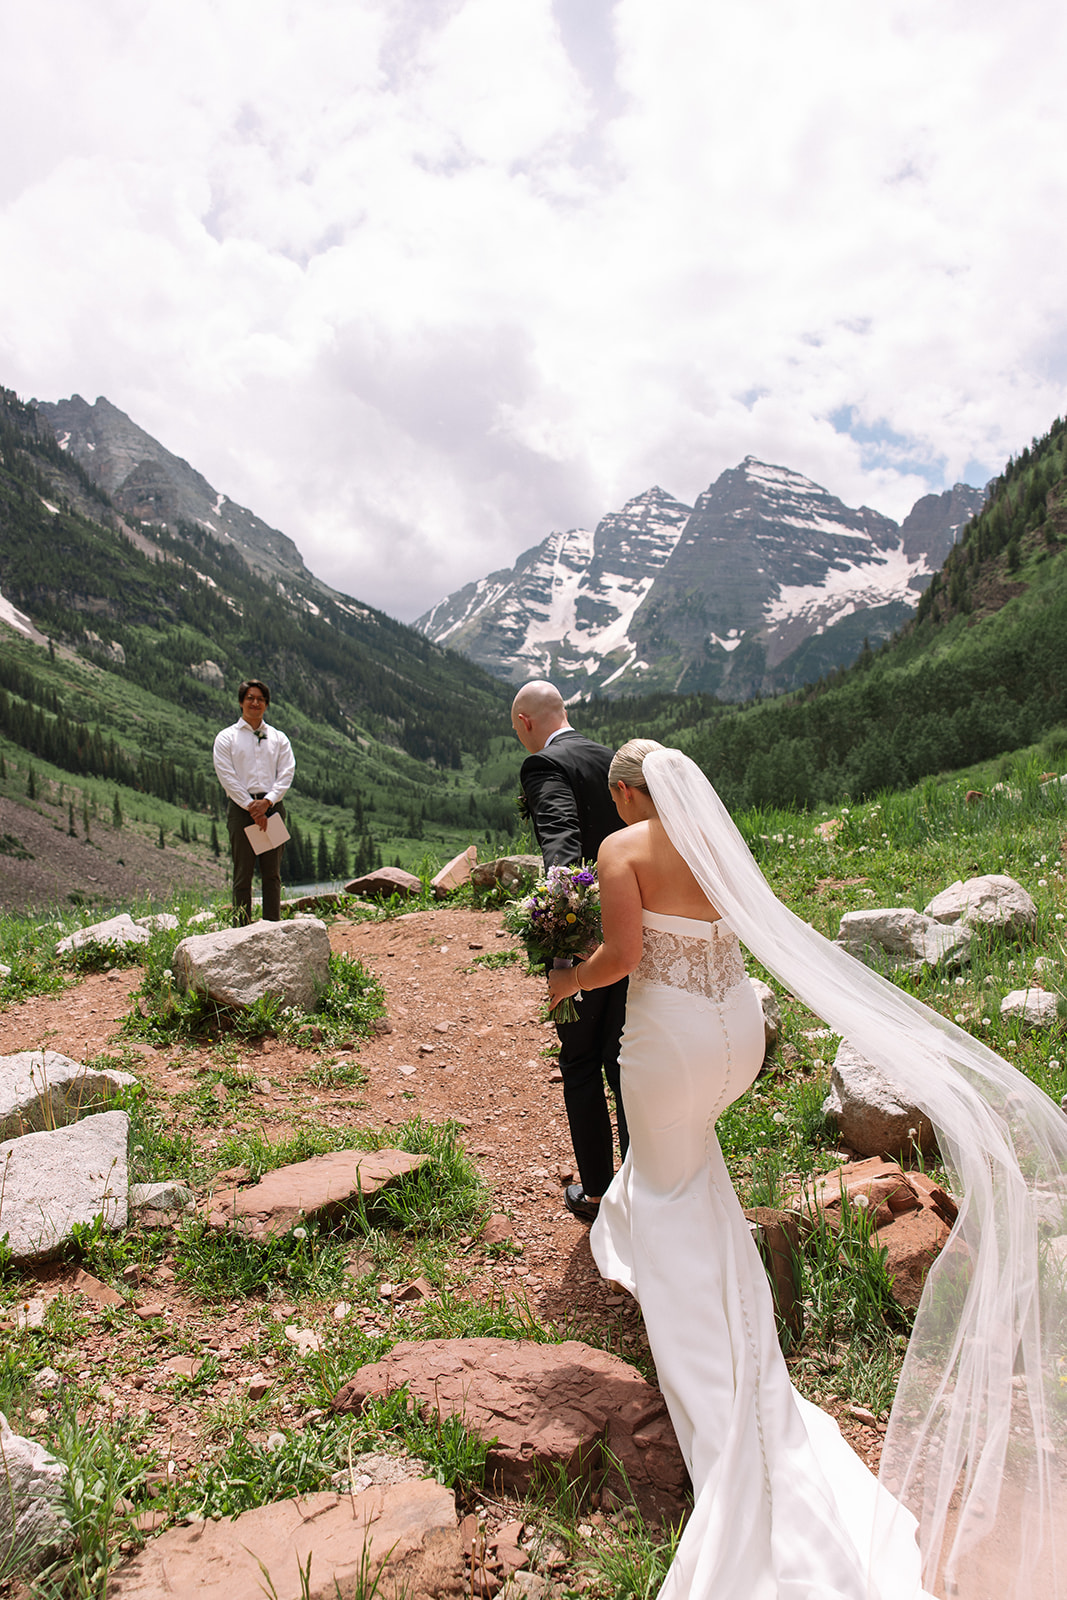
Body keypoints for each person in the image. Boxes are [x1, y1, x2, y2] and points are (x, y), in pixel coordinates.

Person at [548, 739, 1067, 1599]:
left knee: (670, 1182)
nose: (620, 814)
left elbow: (624, 957)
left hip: (670, 1041)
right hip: (733, 1037)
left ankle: (708, 1352)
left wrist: (563, 979)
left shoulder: (621, 849)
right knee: (687, 1163)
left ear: (632, 793)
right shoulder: (716, 845)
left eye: (619, 800)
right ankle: (715, 1283)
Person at [511, 680, 629, 1222]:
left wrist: (563, 954)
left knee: (580, 1060)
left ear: (525, 721)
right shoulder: (609, 759)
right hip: (634, 930)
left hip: (585, 937)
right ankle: (638, 1180)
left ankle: (600, 1191)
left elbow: (561, 845)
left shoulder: (543, 767)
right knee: (621, 1058)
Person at [212, 679, 295, 926]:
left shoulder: (279, 738)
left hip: (273, 808)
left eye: (260, 699)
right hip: (241, 810)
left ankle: (272, 925)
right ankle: (241, 929)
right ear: (241, 702)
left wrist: (267, 802)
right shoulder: (226, 738)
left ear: (266, 705)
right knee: (242, 874)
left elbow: (287, 772)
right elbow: (226, 776)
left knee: (272, 874)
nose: (255, 702)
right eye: (250, 698)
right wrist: (251, 806)